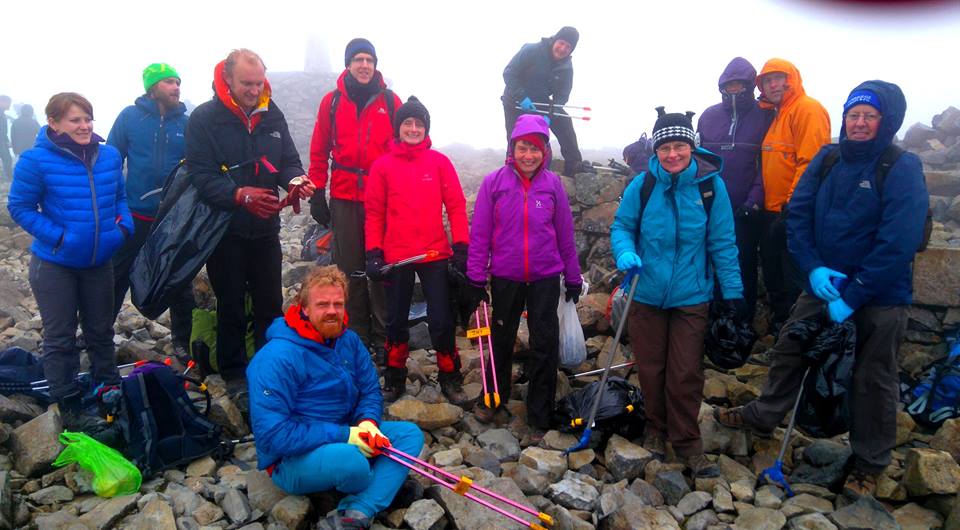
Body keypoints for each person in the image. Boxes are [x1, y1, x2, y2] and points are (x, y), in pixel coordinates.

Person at [717, 81, 929, 499]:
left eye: (869, 116)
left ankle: (869, 461)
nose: (860, 123)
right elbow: (798, 214)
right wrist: (813, 269)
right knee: (791, 348)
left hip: (881, 295)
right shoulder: (829, 159)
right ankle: (763, 415)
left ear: (886, 121)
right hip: (824, 285)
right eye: (853, 115)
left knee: (873, 375)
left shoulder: (899, 166)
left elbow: (899, 240)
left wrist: (856, 293)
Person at [610, 108, 744, 478]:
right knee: (651, 369)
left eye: (679, 146)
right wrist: (624, 252)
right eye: (665, 147)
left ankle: (687, 441)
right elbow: (622, 226)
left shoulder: (709, 186)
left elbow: (723, 243)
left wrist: (732, 295)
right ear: (655, 150)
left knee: (685, 371)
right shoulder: (643, 184)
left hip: (692, 296)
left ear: (691, 147)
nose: (672, 154)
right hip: (645, 292)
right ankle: (655, 427)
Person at [248, 265, 423, 530]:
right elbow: (274, 436)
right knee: (352, 463)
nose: (332, 311)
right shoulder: (277, 357)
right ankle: (379, 486)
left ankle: (358, 510)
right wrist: (346, 436)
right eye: (323, 304)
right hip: (291, 459)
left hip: (347, 431)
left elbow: (370, 391)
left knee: (409, 435)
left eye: (338, 304)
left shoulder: (349, 341)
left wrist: (367, 423)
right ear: (304, 308)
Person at [185, 49, 313, 395]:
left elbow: (288, 159)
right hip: (224, 230)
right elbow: (200, 174)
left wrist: (296, 180)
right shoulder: (204, 119)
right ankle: (234, 373)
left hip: (266, 228)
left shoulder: (272, 115)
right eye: (246, 83)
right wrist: (239, 194)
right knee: (230, 302)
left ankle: (268, 366)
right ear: (227, 79)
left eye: (259, 83)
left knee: (270, 301)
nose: (254, 90)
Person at [7, 92, 133, 437]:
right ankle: (67, 403)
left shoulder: (107, 155)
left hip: (99, 261)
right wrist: (60, 237)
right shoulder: (36, 160)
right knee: (60, 336)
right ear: (54, 123)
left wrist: (122, 228)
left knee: (100, 330)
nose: (84, 126)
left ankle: (108, 387)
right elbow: (19, 206)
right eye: (75, 120)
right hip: (55, 264)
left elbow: (120, 196)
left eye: (87, 118)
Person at [465, 114, 582, 440]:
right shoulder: (495, 183)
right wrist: (475, 279)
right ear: (512, 148)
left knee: (545, 343)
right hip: (506, 276)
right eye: (522, 147)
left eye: (535, 148)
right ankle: (494, 396)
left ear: (545, 151)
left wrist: (573, 277)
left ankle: (540, 411)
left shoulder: (553, 184)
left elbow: (565, 237)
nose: (528, 155)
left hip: (546, 276)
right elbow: (481, 235)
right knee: (501, 340)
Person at [364, 97, 471, 406]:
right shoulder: (382, 166)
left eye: (419, 124)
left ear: (426, 129)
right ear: (398, 128)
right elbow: (374, 214)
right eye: (407, 123)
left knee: (441, 319)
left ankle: (450, 377)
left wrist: (461, 246)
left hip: (434, 253)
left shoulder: (439, 163)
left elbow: (456, 207)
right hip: (396, 256)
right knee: (396, 320)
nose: (413, 129)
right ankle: (394, 378)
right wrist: (374, 252)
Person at [308, 38, 402, 360]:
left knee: (381, 265)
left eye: (369, 60)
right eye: (358, 59)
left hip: (381, 195)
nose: (364, 65)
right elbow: (319, 149)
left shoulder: (390, 101)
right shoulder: (332, 102)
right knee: (349, 267)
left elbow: (408, 142)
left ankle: (383, 335)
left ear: (375, 65)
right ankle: (357, 333)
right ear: (348, 64)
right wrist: (317, 190)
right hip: (345, 194)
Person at [108, 63, 195, 358]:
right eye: (169, 82)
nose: (176, 87)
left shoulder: (186, 123)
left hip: (171, 218)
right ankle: (100, 333)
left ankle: (183, 341)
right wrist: (112, 204)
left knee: (178, 279)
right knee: (116, 275)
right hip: (134, 214)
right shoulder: (130, 117)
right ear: (152, 87)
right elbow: (111, 160)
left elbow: (197, 168)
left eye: (178, 82)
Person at [755, 58, 830, 339]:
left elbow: (810, 163)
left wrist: (791, 207)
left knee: (794, 280)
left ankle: (799, 338)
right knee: (775, 277)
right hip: (773, 211)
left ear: (793, 79)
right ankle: (781, 334)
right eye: (767, 80)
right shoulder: (778, 114)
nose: (773, 84)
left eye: (779, 78)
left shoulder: (807, 109)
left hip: (794, 213)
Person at [697, 57, 771, 324]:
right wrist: (702, 198)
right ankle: (710, 325)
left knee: (742, 269)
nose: (735, 90)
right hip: (710, 207)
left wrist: (754, 201)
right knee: (707, 265)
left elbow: (767, 165)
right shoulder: (708, 116)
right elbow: (699, 161)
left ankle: (739, 327)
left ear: (750, 86)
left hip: (745, 211)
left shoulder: (765, 116)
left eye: (740, 85)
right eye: (730, 85)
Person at [502, 26, 584, 177]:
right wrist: (522, 97)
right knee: (516, 135)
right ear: (554, 40)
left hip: (541, 103)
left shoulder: (566, 68)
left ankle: (574, 166)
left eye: (568, 47)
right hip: (514, 101)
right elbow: (509, 72)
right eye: (561, 43)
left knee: (565, 122)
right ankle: (512, 169)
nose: (563, 49)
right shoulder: (532, 50)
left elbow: (562, 95)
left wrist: (551, 116)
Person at [0, 95, 12, 180]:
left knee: (7, 159)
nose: (9, 106)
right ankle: (8, 178)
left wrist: (6, 140)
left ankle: (8, 177)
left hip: (2, 140)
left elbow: (3, 130)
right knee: (7, 159)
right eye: (8, 103)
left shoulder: (2, 114)